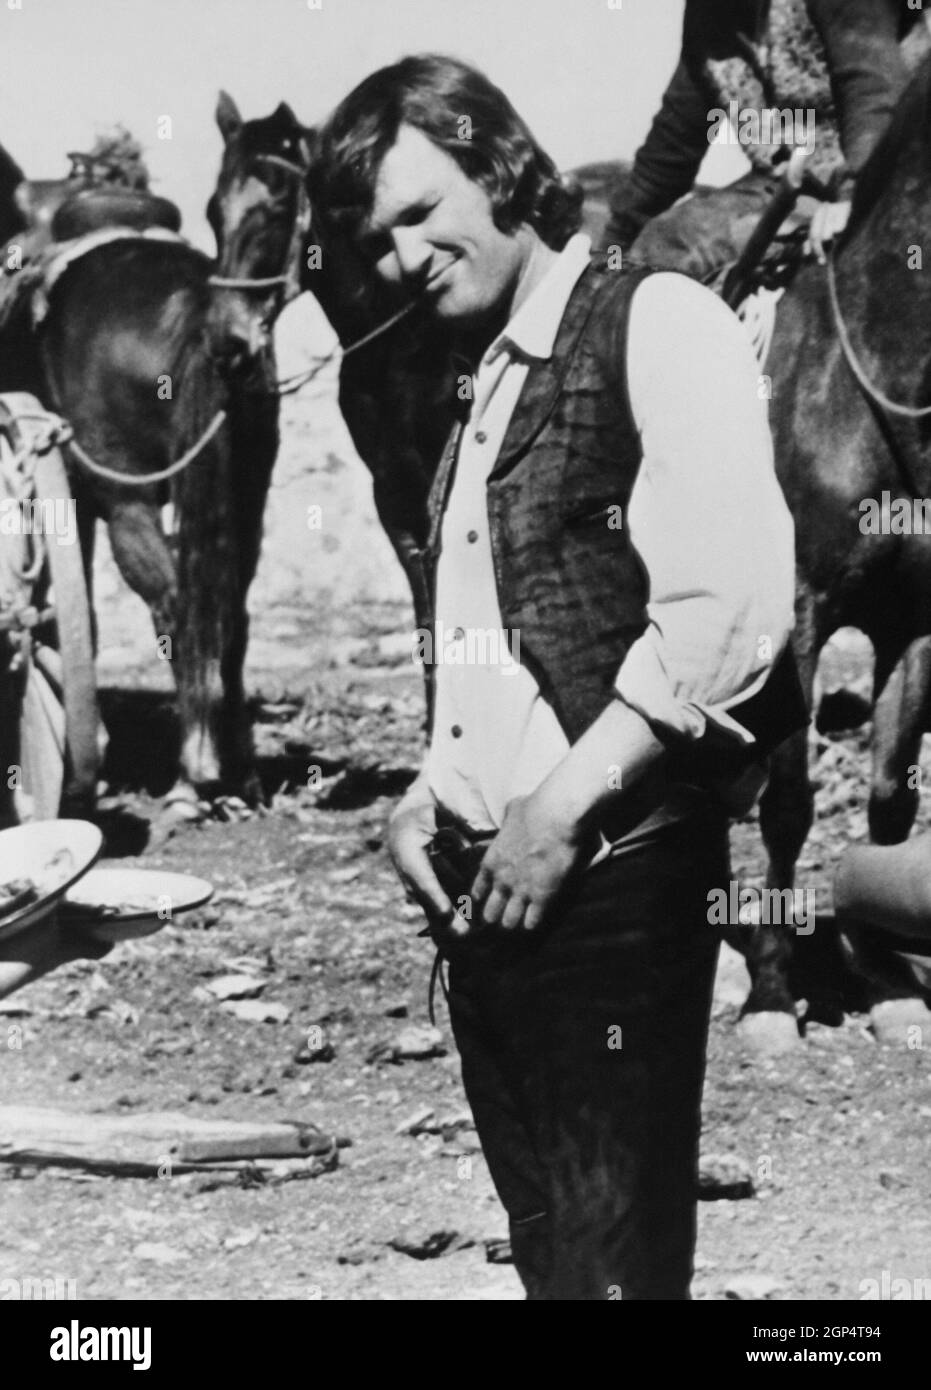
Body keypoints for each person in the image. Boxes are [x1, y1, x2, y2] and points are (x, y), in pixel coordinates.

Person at [312, 53, 804, 1300]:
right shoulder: (477, 381)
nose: (402, 261)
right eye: (377, 241)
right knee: (551, 1255)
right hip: (491, 884)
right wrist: (436, 782)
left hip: (612, 873)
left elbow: (731, 613)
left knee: (610, 1264)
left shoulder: (655, 319)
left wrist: (560, 805)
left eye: (422, 215)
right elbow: (485, 627)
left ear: (499, 167)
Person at [606, 0, 926, 277]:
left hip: (895, 181)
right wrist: (611, 248)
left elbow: (873, 94)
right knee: (661, 243)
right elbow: (669, 152)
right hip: (786, 188)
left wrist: (855, 197)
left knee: (684, 237)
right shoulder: (710, 18)